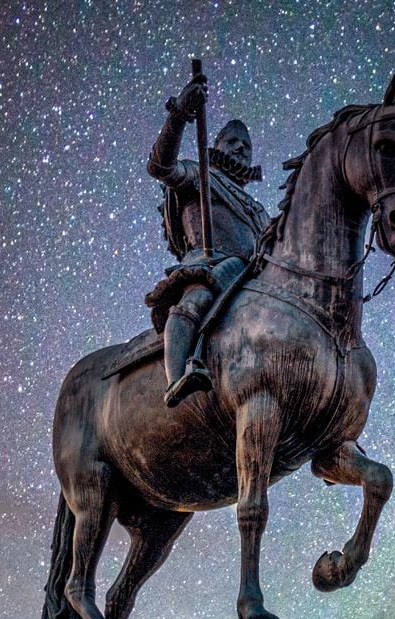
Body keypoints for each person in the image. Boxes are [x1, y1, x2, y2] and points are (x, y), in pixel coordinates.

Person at [145, 71, 270, 406]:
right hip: (213, 265)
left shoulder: (257, 208)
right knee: (196, 300)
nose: (241, 150)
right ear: (216, 146)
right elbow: (160, 166)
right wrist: (181, 114)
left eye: (246, 146)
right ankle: (177, 376)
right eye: (233, 143)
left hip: (255, 278)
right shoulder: (198, 174)